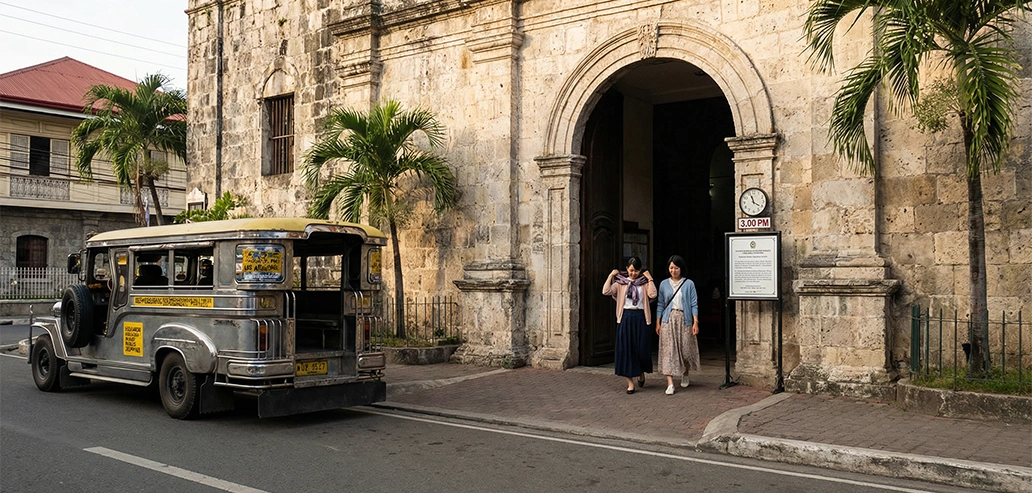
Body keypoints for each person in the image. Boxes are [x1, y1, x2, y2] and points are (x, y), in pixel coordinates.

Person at [603, 256, 657, 394]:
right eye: (631, 270)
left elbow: (653, 294)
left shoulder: (643, 283)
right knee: (627, 350)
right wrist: (611, 275)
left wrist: (649, 278)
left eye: (636, 271)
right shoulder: (620, 283)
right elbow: (606, 291)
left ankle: (641, 372)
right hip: (626, 317)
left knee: (641, 349)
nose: (634, 273)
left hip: (641, 318)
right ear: (627, 269)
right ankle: (630, 383)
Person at [655, 255, 700, 395]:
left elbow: (694, 303)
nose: (673, 270)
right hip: (668, 320)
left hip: (684, 318)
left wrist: (695, 322)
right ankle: (670, 384)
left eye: (676, 268)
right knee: (669, 351)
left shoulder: (689, 284)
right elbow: (660, 304)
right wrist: (658, 322)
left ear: (681, 268)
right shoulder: (663, 284)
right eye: (671, 268)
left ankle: (685, 373)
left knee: (685, 349)